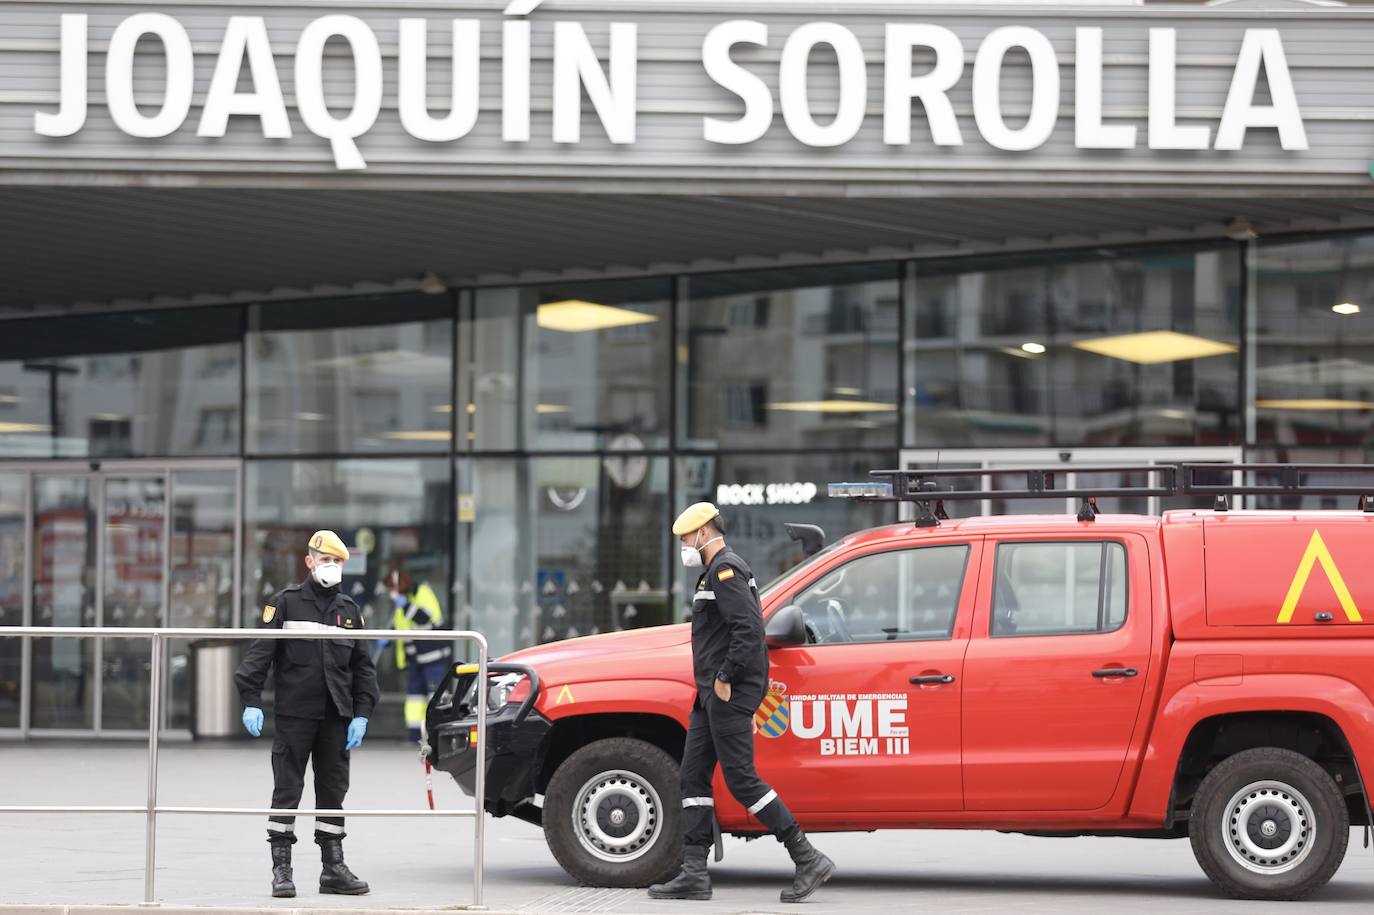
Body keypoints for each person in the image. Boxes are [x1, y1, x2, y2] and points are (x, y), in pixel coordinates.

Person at [649, 502, 835, 904]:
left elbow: (749, 630)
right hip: (709, 694)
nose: (684, 544)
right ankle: (694, 873)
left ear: (703, 533)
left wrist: (725, 677)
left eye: (686, 538)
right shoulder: (712, 573)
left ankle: (807, 857)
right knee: (692, 777)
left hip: (727, 690)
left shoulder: (726, 570)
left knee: (742, 780)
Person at [234, 530, 380, 899]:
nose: (332, 567)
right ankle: (281, 870)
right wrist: (251, 698)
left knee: (333, 791)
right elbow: (260, 655)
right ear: (309, 561)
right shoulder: (285, 604)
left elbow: (363, 669)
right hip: (295, 716)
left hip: (336, 717)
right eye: (326, 559)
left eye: (338, 562)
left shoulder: (349, 611)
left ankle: (333, 869)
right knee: (287, 790)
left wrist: (362, 713)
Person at [387, 568, 452, 742]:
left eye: (393, 589)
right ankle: (415, 734)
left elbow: (424, 618)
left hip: (433, 657)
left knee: (435, 695)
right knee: (415, 697)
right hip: (415, 659)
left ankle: (438, 733)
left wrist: (405, 605)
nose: (391, 594)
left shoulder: (423, 594)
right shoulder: (403, 602)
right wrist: (388, 636)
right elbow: (400, 624)